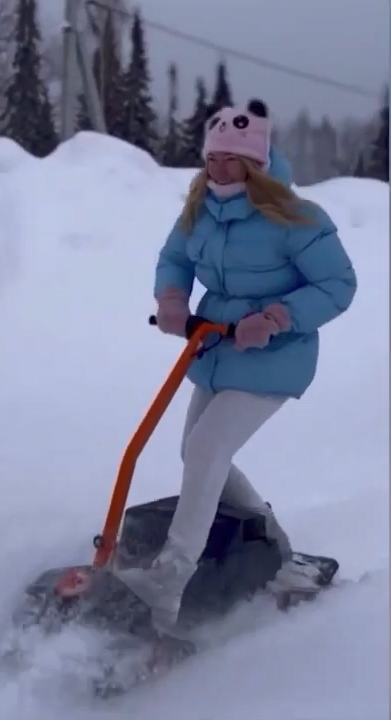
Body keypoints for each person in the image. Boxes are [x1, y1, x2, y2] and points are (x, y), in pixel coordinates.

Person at [115, 99, 357, 637]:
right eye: (213, 159)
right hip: (217, 349)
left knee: (206, 450)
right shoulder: (201, 209)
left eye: (232, 160)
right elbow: (173, 258)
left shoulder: (297, 218)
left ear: (256, 164)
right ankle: (278, 553)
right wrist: (173, 298)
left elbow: (338, 286)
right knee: (196, 452)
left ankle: (169, 583)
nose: (219, 169)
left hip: (277, 356)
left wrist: (276, 317)